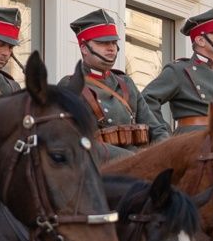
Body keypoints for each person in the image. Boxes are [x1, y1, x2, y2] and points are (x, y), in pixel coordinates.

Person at [59, 9, 168, 154]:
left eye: (113, 42)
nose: (111, 48)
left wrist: (168, 150)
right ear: (84, 48)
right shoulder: (70, 86)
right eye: (102, 43)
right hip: (99, 170)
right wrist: (132, 158)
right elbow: (77, 140)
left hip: (138, 166)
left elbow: (155, 128)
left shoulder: (126, 83)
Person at [143, 5, 213, 126]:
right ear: (200, 40)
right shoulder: (179, 70)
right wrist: (162, 134)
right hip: (192, 141)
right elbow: (146, 100)